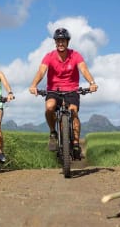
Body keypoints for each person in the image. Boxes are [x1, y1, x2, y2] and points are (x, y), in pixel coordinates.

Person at [29, 27, 98, 156]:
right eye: (58, 41)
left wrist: (92, 83)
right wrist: (34, 85)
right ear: (55, 42)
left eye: (63, 41)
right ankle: (53, 133)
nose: (61, 43)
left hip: (72, 90)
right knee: (49, 107)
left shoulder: (75, 55)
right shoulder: (49, 56)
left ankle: (76, 144)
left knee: (73, 111)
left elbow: (83, 69)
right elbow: (41, 71)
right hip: (54, 90)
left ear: (68, 42)